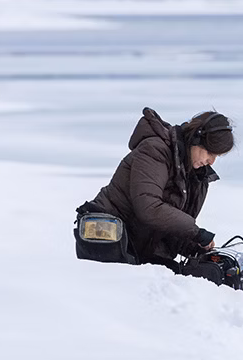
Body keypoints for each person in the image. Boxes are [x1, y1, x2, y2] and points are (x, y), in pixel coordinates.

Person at [75, 107, 234, 277]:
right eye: (210, 152)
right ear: (196, 138)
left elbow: (167, 225)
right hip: (108, 242)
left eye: (217, 156)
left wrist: (195, 247)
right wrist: (196, 233)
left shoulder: (194, 176)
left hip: (139, 247)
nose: (211, 161)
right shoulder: (155, 151)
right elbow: (149, 207)